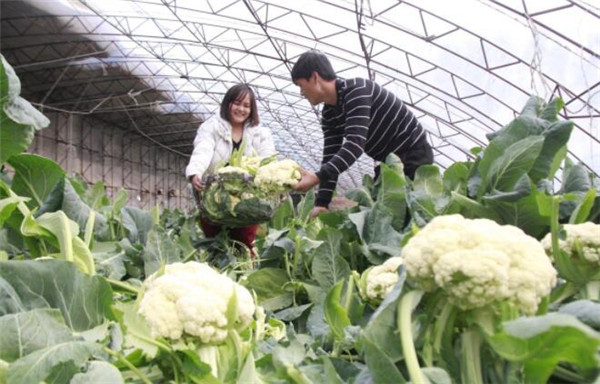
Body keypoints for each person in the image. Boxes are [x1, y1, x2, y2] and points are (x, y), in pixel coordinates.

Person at [290, 50, 434, 216]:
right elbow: (331, 155)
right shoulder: (329, 114)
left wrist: (316, 177)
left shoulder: (358, 91)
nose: (301, 93)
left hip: (414, 155)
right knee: (382, 218)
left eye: (301, 85)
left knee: (413, 217)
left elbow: (354, 145)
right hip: (390, 164)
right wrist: (322, 202)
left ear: (315, 78)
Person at [185, 83, 276, 253]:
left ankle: (243, 277)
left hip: (246, 203)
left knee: (243, 247)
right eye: (237, 103)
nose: (241, 109)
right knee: (214, 246)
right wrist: (195, 171)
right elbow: (203, 149)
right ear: (228, 104)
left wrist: (277, 186)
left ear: (252, 109)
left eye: (246, 105)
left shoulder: (260, 133)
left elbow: (268, 160)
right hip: (215, 199)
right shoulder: (211, 127)